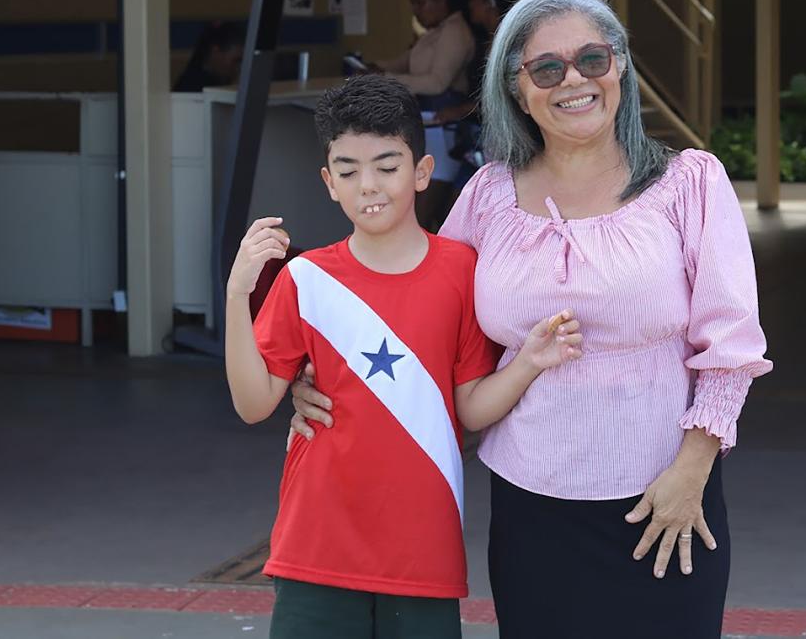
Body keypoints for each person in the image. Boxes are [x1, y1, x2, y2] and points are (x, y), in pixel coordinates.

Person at [290, 0, 772, 639]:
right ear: (517, 90)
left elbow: (732, 347)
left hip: (665, 501)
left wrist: (692, 471)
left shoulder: (688, 184)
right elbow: (419, 312)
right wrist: (319, 378)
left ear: (620, 67)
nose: (573, 80)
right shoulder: (489, 195)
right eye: (547, 68)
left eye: (592, 59)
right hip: (532, 507)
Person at [223, 74, 584, 639]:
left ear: (421, 171)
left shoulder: (462, 270)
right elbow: (252, 404)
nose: (368, 185)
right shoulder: (306, 279)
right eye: (348, 171)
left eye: (387, 167)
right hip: (315, 547)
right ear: (329, 182)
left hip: (423, 553)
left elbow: (469, 407)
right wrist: (236, 295)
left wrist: (528, 363)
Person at [369, 0, 477, 226]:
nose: (416, 11)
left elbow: (437, 82)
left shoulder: (454, 32)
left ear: (441, 1)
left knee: (424, 214)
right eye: (413, 4)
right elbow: (405, 62)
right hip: (427, 125)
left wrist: (386, 78)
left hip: (444, 127)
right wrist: (376, 69)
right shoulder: (433, 33)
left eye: (421, 3)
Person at [432, 0, 521, 186]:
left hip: (501, 140)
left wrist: (462, 109)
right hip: (483, 138)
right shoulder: (488, 37)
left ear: (489, 4)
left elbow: (506, 94)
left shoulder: (510, 43)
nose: (470, 4)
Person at [173, 21, 245, 92]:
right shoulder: (191, 86)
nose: (238, 67)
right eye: (236, 60)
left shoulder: (220, 80)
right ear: (216, 52)